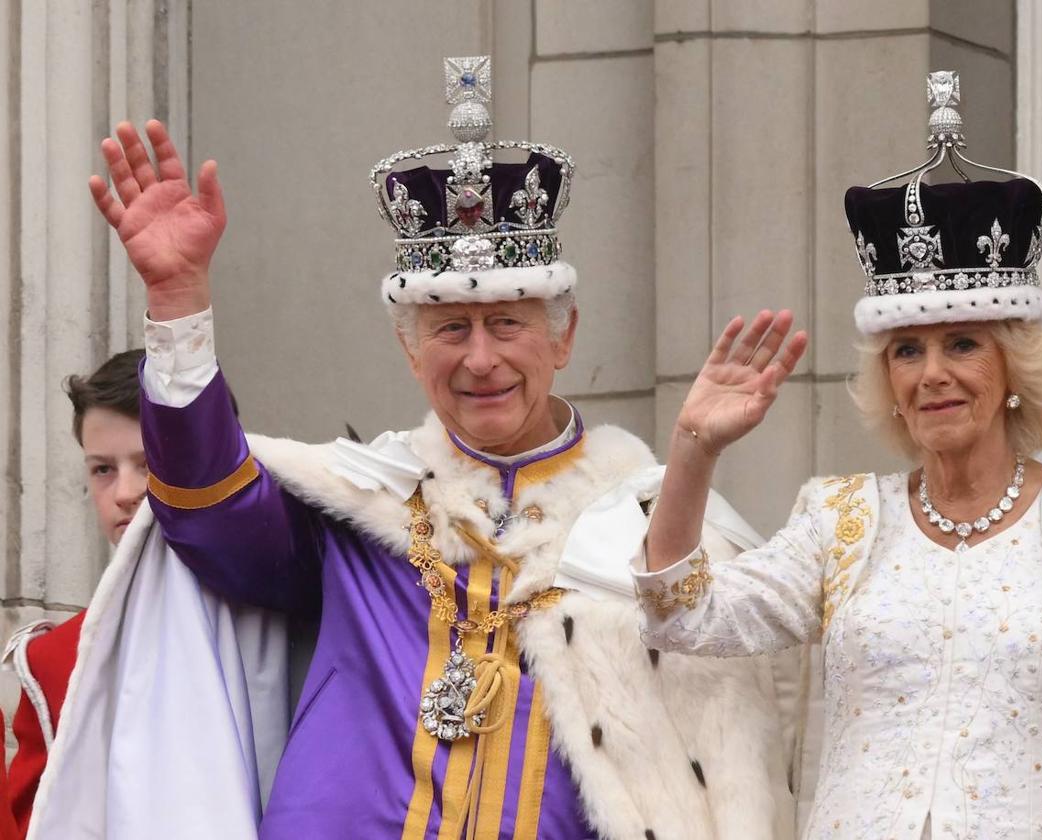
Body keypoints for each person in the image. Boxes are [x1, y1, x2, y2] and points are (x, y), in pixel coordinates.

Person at [58, 55, 796, 839]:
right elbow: (209, 512)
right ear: (411, 350)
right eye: (449, 329)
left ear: (564, 337)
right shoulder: (360, 508)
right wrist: (178, 300)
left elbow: (730, 766)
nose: (479, 360)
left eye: (507, 324)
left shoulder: (658, 530)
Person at [634, 71, 1042, 839]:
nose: (932, 372)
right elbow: (684, 618)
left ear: (1012, 369)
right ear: (889, 381)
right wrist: (695, 447)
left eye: (962, 343)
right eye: (907, 350)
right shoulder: (838, 520)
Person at [4, 350, 147, 838]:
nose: (125, 492)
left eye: (150, 464)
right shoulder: (52, 657)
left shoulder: (282, 615)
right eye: (103, 469)